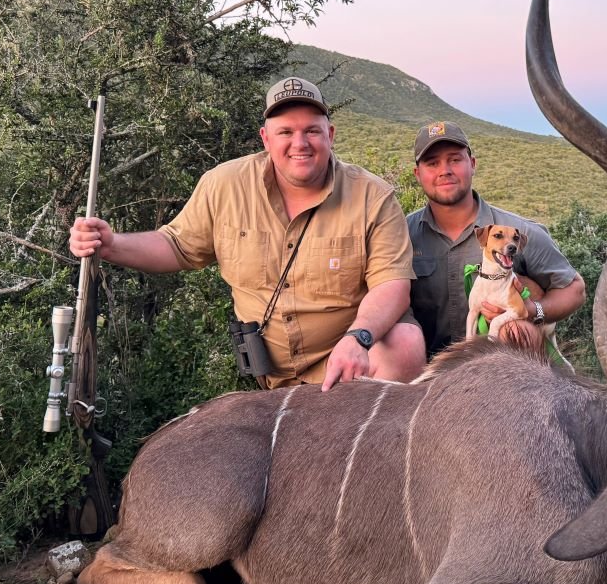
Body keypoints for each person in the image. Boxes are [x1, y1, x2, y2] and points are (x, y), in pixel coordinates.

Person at [69, 77, 426, 391]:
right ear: (266, 138)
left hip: (346, 362)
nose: (299, 143)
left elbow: (391, 285)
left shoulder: (373, 196)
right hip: (269, 371)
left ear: (329, 135)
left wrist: (358, 338)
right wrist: (112, 244)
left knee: (405, 342)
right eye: (286, 132)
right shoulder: (223, 185)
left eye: (311, 131)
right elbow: (176, 246)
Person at [407, 120, 586, 356]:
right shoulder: (401, 233)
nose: (445, 170)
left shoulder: (520, 230)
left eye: (455, 159)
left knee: (518, 331)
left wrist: (532, 310)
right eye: (432, 163)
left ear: (472, 164)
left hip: (498, 369)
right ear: (418, 174)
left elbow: (575, 290)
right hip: (425, 367)